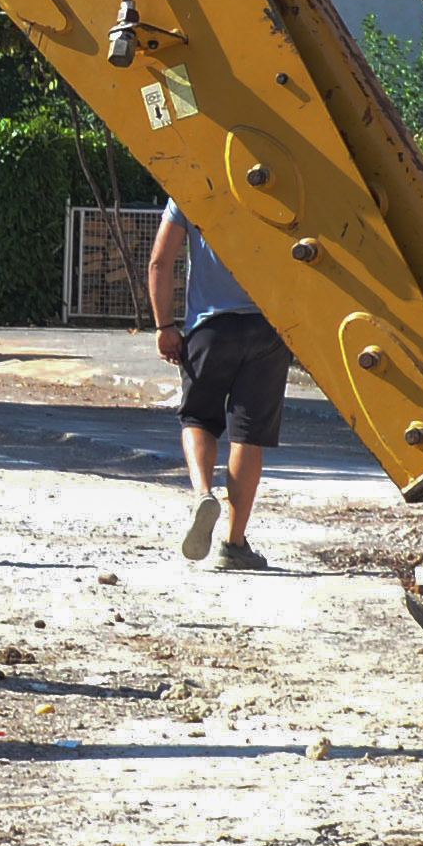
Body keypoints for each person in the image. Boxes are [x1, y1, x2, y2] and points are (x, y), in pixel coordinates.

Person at [149, 196, 288, 570]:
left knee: (198, 419)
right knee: (247, 435)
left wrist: (164, 327)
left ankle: (203, 495)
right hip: (267, 327)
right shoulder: (275, 183)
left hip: (208, 330)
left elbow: (161, 262)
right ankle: (234, 543)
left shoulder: (188, 189)